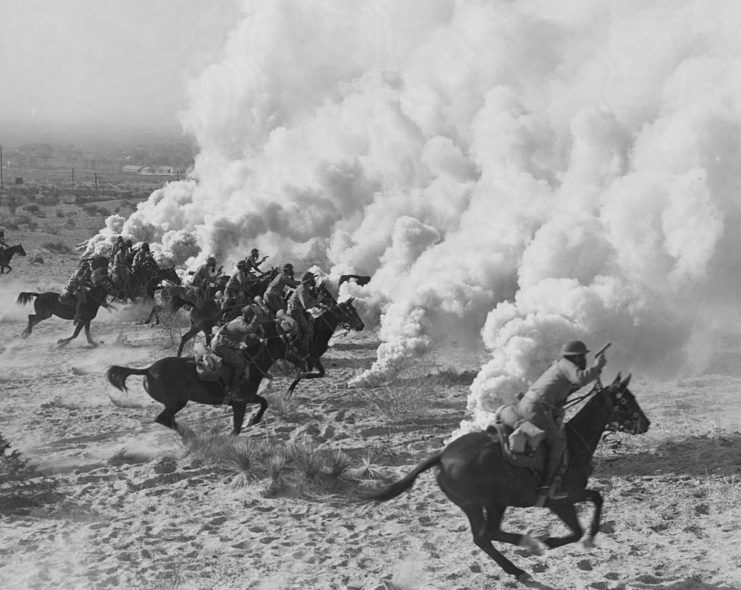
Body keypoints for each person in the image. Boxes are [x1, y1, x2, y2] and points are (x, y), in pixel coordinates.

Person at [517, 340, 607, 503]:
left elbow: (571, 387)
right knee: (558, 442)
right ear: (578, 358)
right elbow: (580, 379)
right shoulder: (567, 365)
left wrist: (595, 373)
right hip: (537, 408)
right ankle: (546, 486)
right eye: (583, 357)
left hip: (531, 405)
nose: (584, 360)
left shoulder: (561, 366)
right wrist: (598, 366)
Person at [211, 304, 262, 403]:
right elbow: (250, 329)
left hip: (221, 343)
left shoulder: (240, 319)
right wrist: (258, 316)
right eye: (253, 317)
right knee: (240, 364)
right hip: (221, 346)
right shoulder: (240, 323)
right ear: (249, 316)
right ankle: (231, 390)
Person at [286, 271, 324, 354]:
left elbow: (310, 299)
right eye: (312, 279)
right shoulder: (302, 290)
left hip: (298, 311)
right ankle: (302, 350)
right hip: (294, 313)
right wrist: (317, 301)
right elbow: (306, 305)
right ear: (309, 281)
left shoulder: (304, 288)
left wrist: (319, 305)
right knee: (308, 330)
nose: (314, 280)